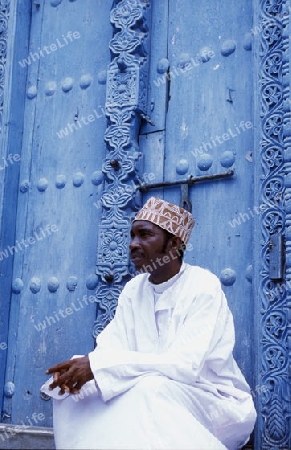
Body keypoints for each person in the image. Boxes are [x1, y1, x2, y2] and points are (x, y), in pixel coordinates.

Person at [42, 197, 256, 450]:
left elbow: (184, 367)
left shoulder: (203, 285)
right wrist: (83, 370)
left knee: (149, 388)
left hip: (211, 400)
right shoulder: (134, 289)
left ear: (174, 244)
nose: (133, 244)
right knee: (75, 393)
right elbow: (112, 348)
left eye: (144, 235)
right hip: (148, 389)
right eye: (132, 236)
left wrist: (101, 366)